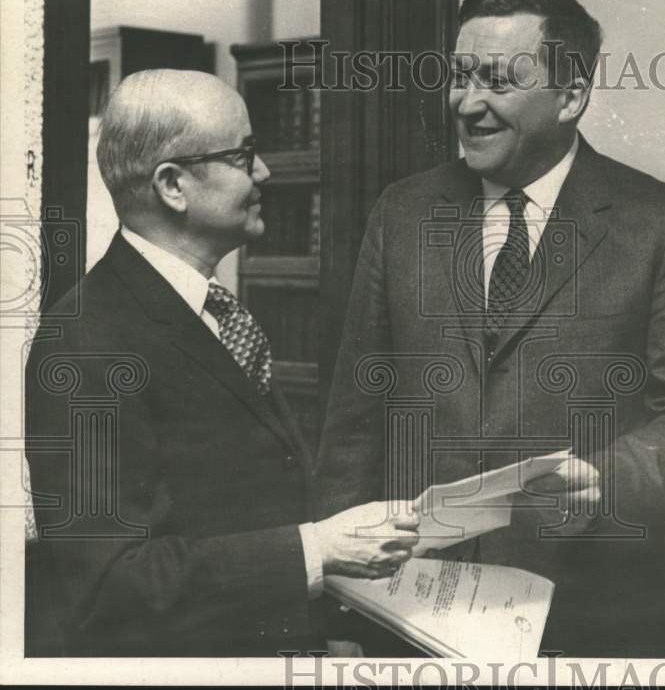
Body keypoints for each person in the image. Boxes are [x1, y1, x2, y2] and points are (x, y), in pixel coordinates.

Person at [318, 0, 665, 657]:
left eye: (496, 81)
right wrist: (336, 606)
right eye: (459, 76)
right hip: (405, 616)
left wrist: (605, 479)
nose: (467, 103)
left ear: (571, 95)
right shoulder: (401, 213)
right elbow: (351, 426)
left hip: (588, 621)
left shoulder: (662, 226)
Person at [24, 69, 419, 656]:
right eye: (244, 154)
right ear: (173, 185)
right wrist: (318, 550)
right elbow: (110, 588)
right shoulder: (85, 343)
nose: (264, 172)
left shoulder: (215, 311)